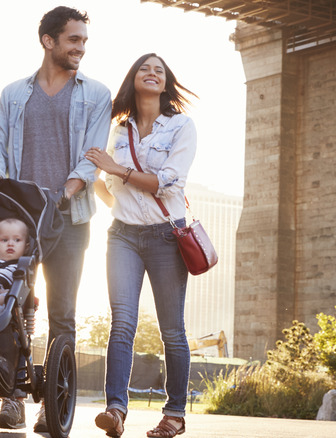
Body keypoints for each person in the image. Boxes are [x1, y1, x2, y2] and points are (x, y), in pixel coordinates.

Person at [0, 5, 112, 431]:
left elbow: (91, 160)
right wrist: (2, 193)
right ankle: (13, 397)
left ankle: (52, 403)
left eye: (84, 41)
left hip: (69, 219)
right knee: (11, 304)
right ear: (48, 41)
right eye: (74, 40)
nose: (81, 49)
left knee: (62, 312)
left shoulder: (96, 95)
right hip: (19, 219)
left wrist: (63, 194)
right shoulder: (14, 94)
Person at [85, 53, 197, 438]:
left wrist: (117, 170)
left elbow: (166, 181)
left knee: (172, 330)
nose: (151, 73)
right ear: (133, 78)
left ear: (165, 84)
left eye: (159, 70)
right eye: (144, 68)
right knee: (122, 324)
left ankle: (175, 415)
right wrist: (117, 200)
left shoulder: (181, 126)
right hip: (123, 236)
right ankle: (115, 409)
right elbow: (99, 181)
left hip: (167, 236)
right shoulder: (117, 129)